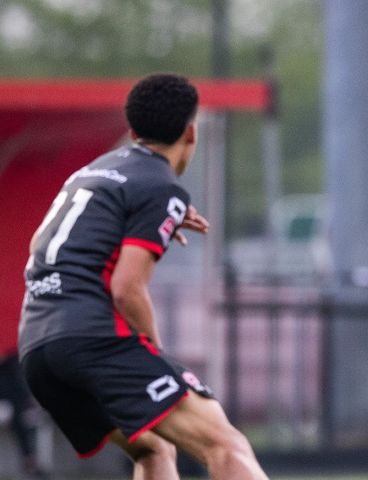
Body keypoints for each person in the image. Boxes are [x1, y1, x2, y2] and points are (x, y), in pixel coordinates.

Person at [18, 73, 269, 480]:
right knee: (225, 444)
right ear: (192, 132)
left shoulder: (93, 173)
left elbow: (46, 244)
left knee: (154, 447)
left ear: (133, 130)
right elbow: (126, 289)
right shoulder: (160, 186)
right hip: (93, 338)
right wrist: (153, 354)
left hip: (37, 346)